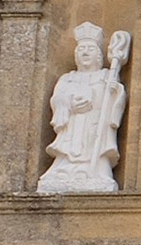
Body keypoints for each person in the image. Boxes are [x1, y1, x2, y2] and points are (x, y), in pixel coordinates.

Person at [37, 22, 131, 193]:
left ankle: (96, 172)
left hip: (94, 125)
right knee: (67, 151)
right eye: (81, 49)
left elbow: (117, 100)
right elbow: (57, 99)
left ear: (98, 55)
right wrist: (69, 104)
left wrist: (115, 90)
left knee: (94, 143)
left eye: (90, 49)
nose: (85, 52)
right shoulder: (67, 78)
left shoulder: (105, 76)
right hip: (72, 126)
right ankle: (64, 171)